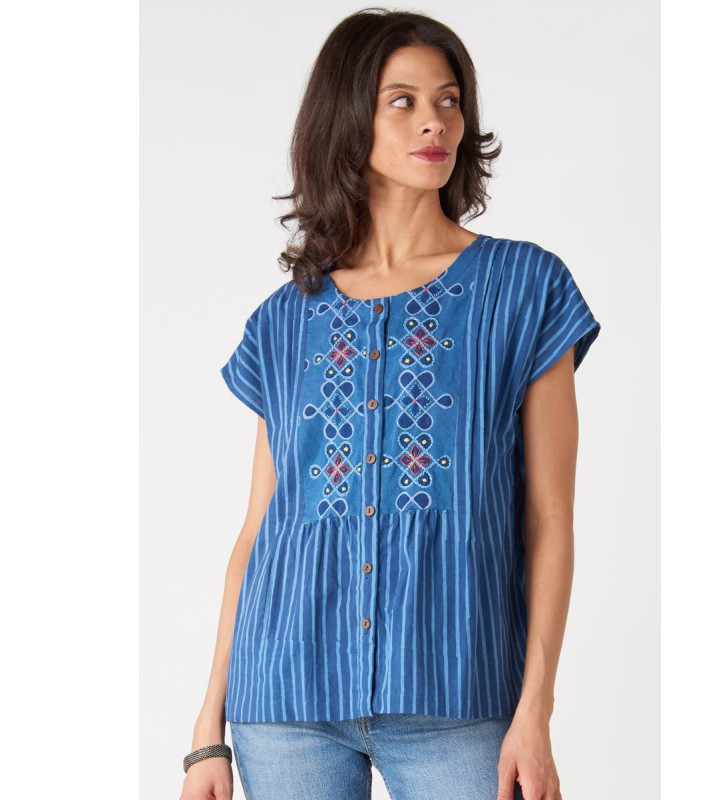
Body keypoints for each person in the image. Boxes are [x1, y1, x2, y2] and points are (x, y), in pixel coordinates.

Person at [179, 8, 601, 800]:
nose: (434, 121)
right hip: (284, 698)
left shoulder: (525, 288)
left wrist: (536, 712)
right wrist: (208, 730)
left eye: (449, 100)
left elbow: (550, 516)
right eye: (401, 101)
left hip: (459, 693)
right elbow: (257, 531)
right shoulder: (284, 321)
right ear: (348, 120)